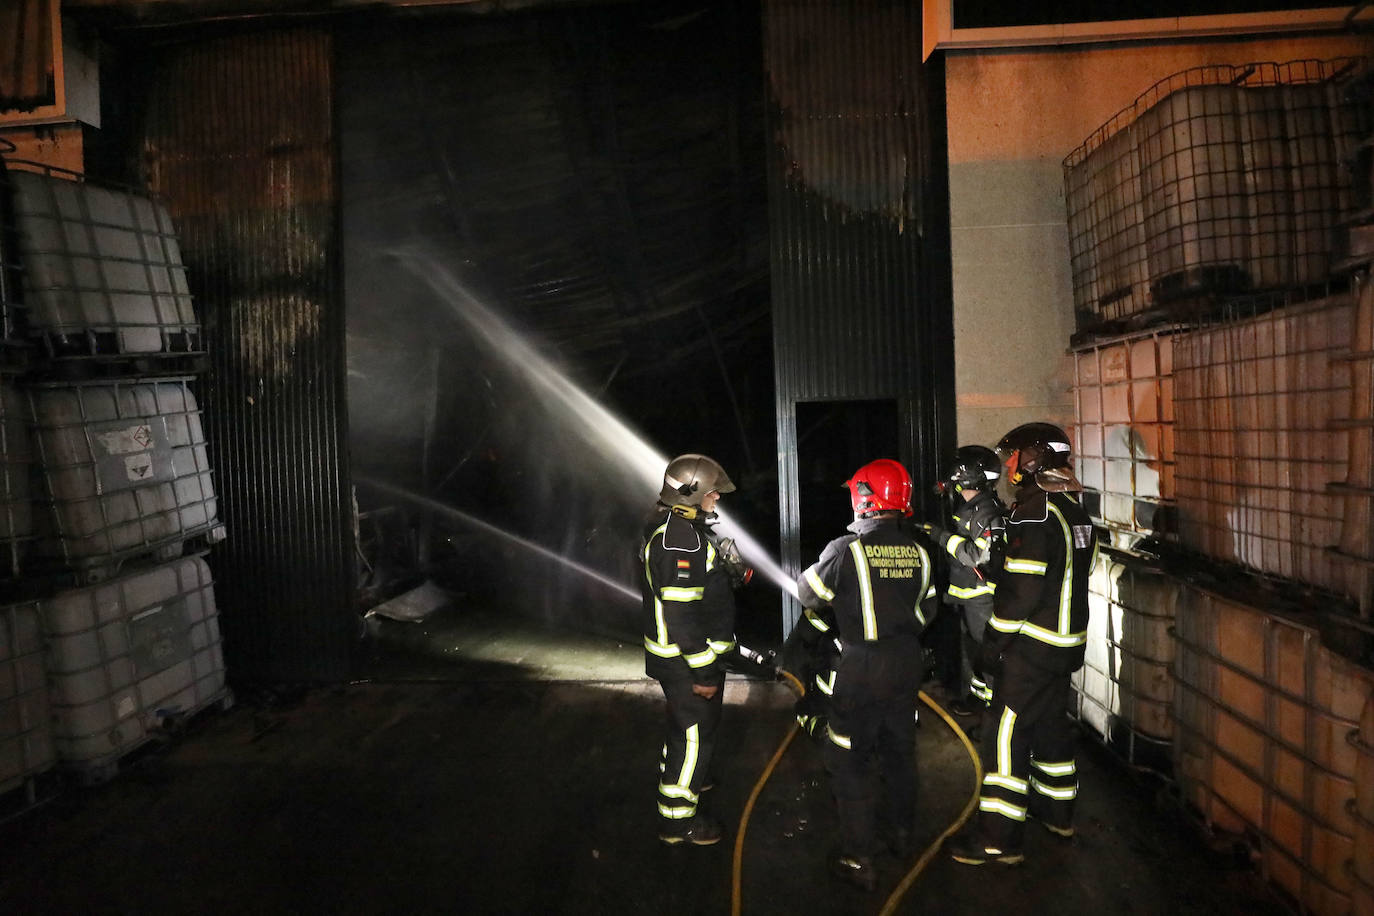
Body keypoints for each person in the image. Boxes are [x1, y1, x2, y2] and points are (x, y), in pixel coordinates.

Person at [947, 422, 1099, 866]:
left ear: (1032, 460)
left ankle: (997, 838)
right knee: (1051, 727)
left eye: (1011, 457)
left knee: (1004, 733)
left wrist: (992, 644)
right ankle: (1057, 814)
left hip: (1032, 648)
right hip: (1065, 646)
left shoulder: (1034, 513)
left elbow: (1021, 594)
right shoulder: (1074, 509)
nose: (1007, 466)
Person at [795, 458, 937, 890]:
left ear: (865, 498)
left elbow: (809, 593)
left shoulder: (845, 550)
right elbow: (928, 610)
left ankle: (859, 859)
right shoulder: (920, 551)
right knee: (899, 753)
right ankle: (901, 837)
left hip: (861, 666)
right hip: (907, 663)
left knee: (850, 758)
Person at [640, 453, 741, 846]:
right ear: (693, 494)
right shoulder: (681, 541)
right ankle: (678, 820)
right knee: (694, 737)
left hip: (677, 660)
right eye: (713, 493)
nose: (717, 499)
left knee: (685, 732)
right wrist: (703, 673)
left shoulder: (675, 530)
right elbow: (682, 617)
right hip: (685, 663)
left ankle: (684, 776)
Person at [922, 445, 1006, 718]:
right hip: (968, 596)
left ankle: (996, 711)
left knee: (986, 652)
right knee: (973, 651)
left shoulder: (986, 512)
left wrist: (939, 536)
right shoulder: (973, 507)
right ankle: (978, 700)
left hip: (981, 598)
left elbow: (974, 554)